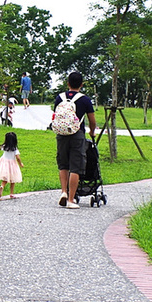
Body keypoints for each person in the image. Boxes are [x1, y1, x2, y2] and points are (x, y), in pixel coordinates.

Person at [52, 71, 96, 210]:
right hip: (77, 134)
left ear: (68, 83)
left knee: (63, 164)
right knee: (75, 167)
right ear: (81, 84)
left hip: (61, 134)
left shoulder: (60, 98)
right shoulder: (85, 100)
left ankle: (63, 192)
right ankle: (71, 199)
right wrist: (92, 131)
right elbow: (92, 121)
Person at [0, 131, 24, 199]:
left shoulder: (4, 147)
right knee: (13, 179)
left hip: (4, 163)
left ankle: (2, 186)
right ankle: (11, 193)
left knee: (5, 179)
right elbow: (18, 158)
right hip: (12, 165)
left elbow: (1, 149)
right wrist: (20, 163)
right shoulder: (15, 149)